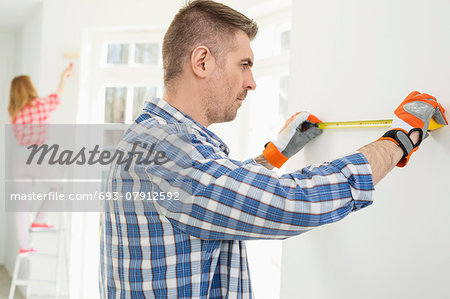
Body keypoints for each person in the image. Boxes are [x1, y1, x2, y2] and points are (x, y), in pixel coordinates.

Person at [99, 1, 448, 298]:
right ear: (201, 62)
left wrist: (273, 156)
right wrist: (398, 140)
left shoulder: (152, 139)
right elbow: (290, 203)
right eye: (244, 64)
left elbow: (212, 194)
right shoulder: (168, 152)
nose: (252, 82)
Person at [8, 63, 73, 254]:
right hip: (37, 154)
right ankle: (39, 219)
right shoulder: (40, 105)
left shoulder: (15, 112)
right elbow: (58, 94)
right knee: (58, 185)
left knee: (22, 203)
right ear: (30, 88)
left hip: (19, 157)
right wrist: (64, 76)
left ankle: (24, 246)